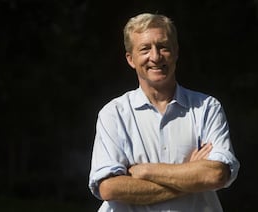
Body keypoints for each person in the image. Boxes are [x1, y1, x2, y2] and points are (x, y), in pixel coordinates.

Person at [88, 12, 240, 212]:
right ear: (130, 59)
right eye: (145, 49)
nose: (155, 56)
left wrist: (145, 171)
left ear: (176, 52)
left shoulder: (207, 108)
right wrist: (191, 176)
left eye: (163, 47)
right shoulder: (113, 114)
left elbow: (215, 175)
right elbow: (109, 188)